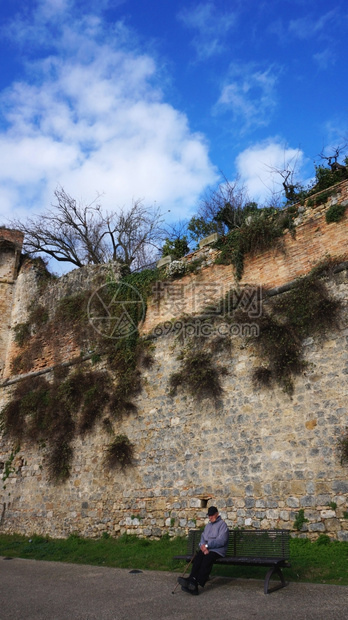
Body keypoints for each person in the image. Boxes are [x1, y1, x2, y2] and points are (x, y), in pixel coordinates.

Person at [178, 506, 229, 595]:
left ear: (217, 514)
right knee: (198, 558)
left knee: (207, 559)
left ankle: (196, 584)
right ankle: (191, 579)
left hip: (218, 550)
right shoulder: (208, 526)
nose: (210, 517)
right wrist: (202, 546)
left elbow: (222, 541)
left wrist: (207, 545)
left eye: (212, 515)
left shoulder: (222, 525)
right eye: (209, 515)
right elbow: (203, 539)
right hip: (207, 549)